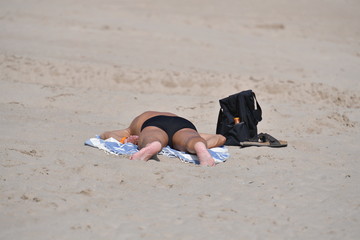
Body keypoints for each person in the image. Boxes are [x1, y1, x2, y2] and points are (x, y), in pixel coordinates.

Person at [100, 111, 226, 166]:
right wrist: (204, 143)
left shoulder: (136, 123)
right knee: (191, 138)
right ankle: (199, 146)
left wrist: (125, 140)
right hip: (181, 123)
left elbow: (106, 134)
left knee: (153, 136)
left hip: (153, 122)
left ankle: (153, 144)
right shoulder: (172, 116)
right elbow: (220, 138)